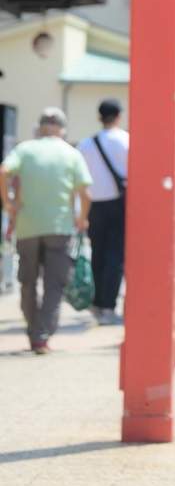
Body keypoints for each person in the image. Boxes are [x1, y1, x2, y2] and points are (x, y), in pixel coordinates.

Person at [0, 107, 92, 354]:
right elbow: (85, 194)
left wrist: (8, 203)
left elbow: (4, 171)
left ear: (40, 127)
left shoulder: (24, 149)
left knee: (27, 282)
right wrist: (82, 219)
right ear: (62, 129)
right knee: (54, 284)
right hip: (59, 227)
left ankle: (33, 328)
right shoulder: (71, 154)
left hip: (27, 226)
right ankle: (42, 335)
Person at [78, 98, 128, 322]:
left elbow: (79, 180)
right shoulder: (127, 141)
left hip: (92, 205)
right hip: (119, 204)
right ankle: (109, 307)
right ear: (119, 116)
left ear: (99, 117)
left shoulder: (86, 144)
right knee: (115, 256)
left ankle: (97, 303)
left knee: (97, 253)